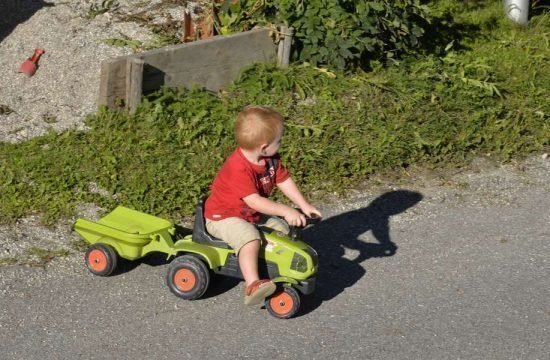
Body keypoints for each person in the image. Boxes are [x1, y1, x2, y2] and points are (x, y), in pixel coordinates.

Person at [204, 105, 322, 306]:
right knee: (249, 238)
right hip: (223, 216)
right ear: (264, 147)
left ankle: (275, 266)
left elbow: (283, 180)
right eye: (279, 141)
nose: (281, 144)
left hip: (249, 213)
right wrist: (286, 210)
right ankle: (253, 284)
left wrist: (303, 205)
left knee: (283, 230)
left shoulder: (270, 159)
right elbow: (255, 201)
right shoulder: (238, 168)